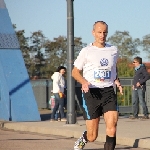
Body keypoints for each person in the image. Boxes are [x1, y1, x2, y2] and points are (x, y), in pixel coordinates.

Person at [72, 21, 123, 150]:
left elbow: (113, 68)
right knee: (92, 136)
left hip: (108, 92)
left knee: (112, 128)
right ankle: (84, 138)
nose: (102, 35)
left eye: (105, 32)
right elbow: (75, 72)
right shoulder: (86, 51)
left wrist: (116, 80)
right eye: (99, 32)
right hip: (91, 93)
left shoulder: (113, 50)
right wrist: (83, 81)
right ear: (93, 33)